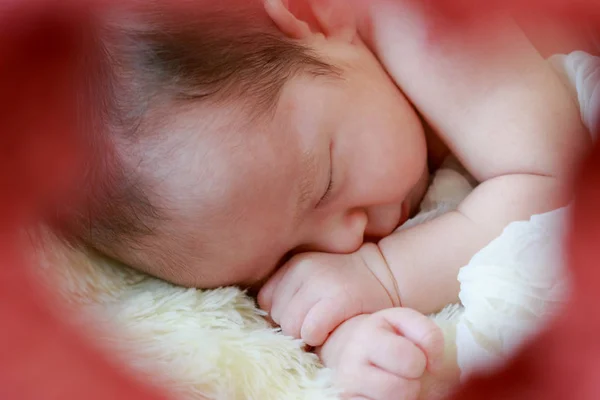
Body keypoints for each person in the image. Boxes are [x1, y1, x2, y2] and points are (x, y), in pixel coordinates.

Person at [56, 0, 589, 398]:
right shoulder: (332, 123)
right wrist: (355, 342)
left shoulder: (419, 23)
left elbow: (559, 180)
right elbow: (324, 303)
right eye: (285, 262)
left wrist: (385, 275)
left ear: (311, 19)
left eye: (327, 181)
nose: (348, 240)